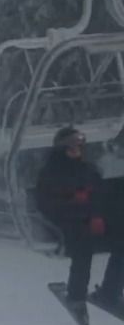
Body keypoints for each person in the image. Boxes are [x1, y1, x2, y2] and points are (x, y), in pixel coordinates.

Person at [37, 126, 124, 308]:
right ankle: (77, 296)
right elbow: (47, 204)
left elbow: (101, 195)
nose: (76, 148)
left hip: (92, 223)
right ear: (62, 148)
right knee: (84, 244)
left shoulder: (87, 170)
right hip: (67, 228)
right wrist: (77, 204)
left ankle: (110, 291)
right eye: (71, 145)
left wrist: (100, 214)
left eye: (79, 144)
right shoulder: (52, 172)